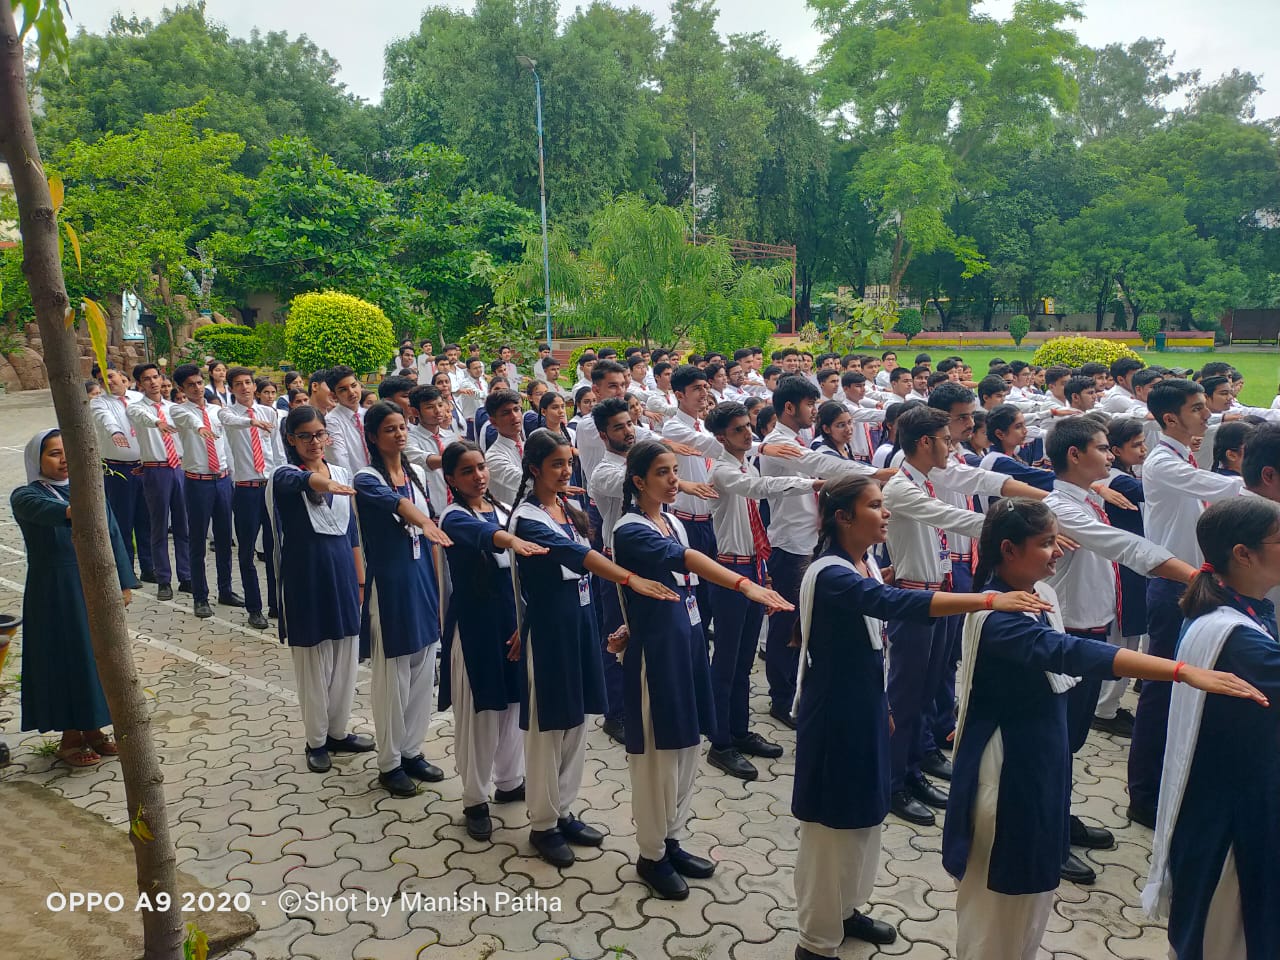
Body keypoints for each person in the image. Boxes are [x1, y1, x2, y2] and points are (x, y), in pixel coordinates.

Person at [943, 498, 1264, 960]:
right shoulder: (997, 620)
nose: (1058, 551)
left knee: (1031, 891)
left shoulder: (1038, 596)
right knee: (998, 895)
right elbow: (1073, 653)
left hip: (1037, 760)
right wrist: (1180, 671)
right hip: (1007, 767)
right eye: (1046, 543)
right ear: (1009, 550)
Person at [792, 476, 1051, 959]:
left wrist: (884, 705)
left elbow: (872, 643)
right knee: (830, 831)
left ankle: (845, 910)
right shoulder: (831, 573)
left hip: (864, 708)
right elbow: (893, 604)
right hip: (835, 718)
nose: (886, 513)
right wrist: (986, 599)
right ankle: (815, 940)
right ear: (843, 517)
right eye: (874, 506)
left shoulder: (864, 563)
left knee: (863, 822)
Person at [612, 440, 792, 899]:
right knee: (657, 757)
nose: (674, 480)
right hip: (658, 654)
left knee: (688, 747)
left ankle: (671, 838)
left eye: (675, 470)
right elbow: (684, 561)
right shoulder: (630, 529)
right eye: (663, 473)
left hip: (687, 642)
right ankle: (651, 854)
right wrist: (743, 584)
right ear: (639, 481)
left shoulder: (671, 520)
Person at [506, 429, 677, 868]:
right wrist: (630, 578)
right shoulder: (526, 518)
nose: (566, 471)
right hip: (549, 629)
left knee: (576, 720)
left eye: (569, 463)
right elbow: (574, 556)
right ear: (534, 469)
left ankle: (563, 809)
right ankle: (543, 823)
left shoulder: (568, 509)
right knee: (547, 727)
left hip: (579, 623)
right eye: (556, 464)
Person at [1144, 498, 1280, 960]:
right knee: (1226, 939)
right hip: (1232, 822)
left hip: (1226, 800)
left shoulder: (1237, 611)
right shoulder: (1236, 639)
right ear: (1243, 554)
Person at [1128, 380, 1243, 827]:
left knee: (1182, 683)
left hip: (1193, 583)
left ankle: (1169, 783)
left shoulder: (1180, 457)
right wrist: (1256, 484)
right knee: (1161, 688)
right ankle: (1144, 795)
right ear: (1170, 418)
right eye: (1197, 408)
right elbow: (1222, 488)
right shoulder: (1163, 462)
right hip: (1172, 587)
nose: (1207, 414)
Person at [704, 402, 821, 781]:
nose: (747, 434)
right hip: (730, 568)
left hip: (752, 565)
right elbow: (760, 488)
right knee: (726, 660)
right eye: (738, 430)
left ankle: (739, 730)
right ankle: (720, 742)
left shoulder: (745, 464)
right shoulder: (722, 470)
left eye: (747, 427)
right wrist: (811, 483)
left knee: (743, 659)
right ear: (721, 437)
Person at [439, 442, 548, 841]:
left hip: (510, 621)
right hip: (476, 626)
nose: (478, 476)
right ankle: (474, 799)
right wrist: (512, 541)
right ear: (451, 479)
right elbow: (485, 535)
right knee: (480, 713)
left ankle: (509, 781)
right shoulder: (453, 517)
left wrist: (524, 620)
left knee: (513, 704)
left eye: (481, 467)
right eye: (467, 471)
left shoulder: (502, 509)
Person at [12, 429, 135, 766]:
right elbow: (56, 512)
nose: (64, 459)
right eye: (54, 453)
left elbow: (113, 536)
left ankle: (94, 730)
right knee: (64, 658)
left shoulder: (90, 491)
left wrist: (123, 583)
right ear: (37, 460)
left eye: (68, 451)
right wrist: (79, 504)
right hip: (53, 592)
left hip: (92, 586)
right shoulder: (26, 495)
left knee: (96, 658)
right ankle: (70, 737)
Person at [354, 401, 452, 797]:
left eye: (402, 427)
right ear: (373, 436)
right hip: (391, 585)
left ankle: (412, 750)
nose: (399, 434)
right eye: (390, 429)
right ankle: (389, 761)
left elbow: (431, 536)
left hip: (421, 580)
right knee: (393, 678)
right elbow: (399, 506)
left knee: (424, 667)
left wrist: (438, 590)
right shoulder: (367, 477)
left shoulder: (415, 475)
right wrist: (425, 521)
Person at [267, 406, 373, 773]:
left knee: (345, 655)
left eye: (319, 434)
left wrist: (360, 579)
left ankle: (338, 731)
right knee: (314, 661)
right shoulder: (283, 475)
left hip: (342, 575)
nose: (314, 442)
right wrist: (323, 484)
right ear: (291, 440)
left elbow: (352, 532)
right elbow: (297, 481)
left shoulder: (341, 473)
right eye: (305, 436)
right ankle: (316, 740)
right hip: (306, 578)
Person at [169, 363, 241, 619]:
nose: (197, 388)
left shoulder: (216, 411)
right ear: (181, 389)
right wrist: (200, 427)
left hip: (221, 480)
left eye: (199, 383)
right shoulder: (178, 411)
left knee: (224, 538)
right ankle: (200, 597)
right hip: (197, 482)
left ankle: (226, 590)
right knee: (198, 540)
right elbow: (190, 421)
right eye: (191, 385)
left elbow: (227, 443)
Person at [219, 366, 283, 629]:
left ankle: (276, 604)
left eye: (248, 382)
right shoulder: (228, 413)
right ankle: (254, 608)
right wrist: (251, 422)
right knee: (246, 551)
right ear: (231, 389)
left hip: (269, 487)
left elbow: (277, 450)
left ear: (254, 386)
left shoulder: (269, 413)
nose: (244, 387)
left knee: (274, 549)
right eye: (238, 384)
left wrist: (281, 479)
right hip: (245, 489)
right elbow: (231, 421)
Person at [127, 363, 192, 599]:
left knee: (184, 524)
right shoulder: (136, 408)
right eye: (147, 379)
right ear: (139, 384)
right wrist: (157, 422)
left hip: (179, 467)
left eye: (156, 377)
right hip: (156, 470)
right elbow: (143, 418)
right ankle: (163, 579)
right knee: (159, 526)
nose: (153, 382)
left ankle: (186, 576)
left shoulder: (174, 408)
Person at [90, 364, 151, 585]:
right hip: (119, 470)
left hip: (145, 467)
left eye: (110, 376)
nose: (108, 382)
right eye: (101, 380)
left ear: (121, 376)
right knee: (123, 523)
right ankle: (126, 572)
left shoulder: (138, 398)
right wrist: (115, 432)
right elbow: (106, 419)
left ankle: (149, 567)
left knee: (146, 521)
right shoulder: (99, 403)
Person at [325, 366, 371, 477]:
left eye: (354, 385)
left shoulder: (368, 414)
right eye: (343, 390)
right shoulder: (332, 421)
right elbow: (339, 458)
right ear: (334, 396)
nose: (351, 392)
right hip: (354, 480)